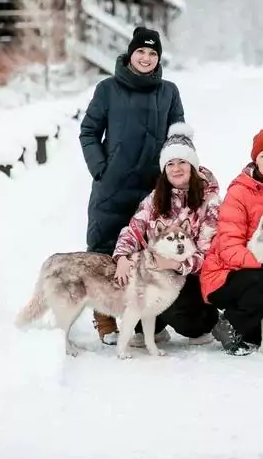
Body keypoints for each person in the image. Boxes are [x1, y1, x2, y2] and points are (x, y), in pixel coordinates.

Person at [79, 26, 185, 345]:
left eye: (153, 53)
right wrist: (101, 169)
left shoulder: (169, 92)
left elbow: (177, 136)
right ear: (130, 53)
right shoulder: (107, 89)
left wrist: (175, 177)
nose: (146, 58)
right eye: (141, 51)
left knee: (146, 249)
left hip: (153, 188)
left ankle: (142, 316)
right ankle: (104, 317)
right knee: (103, 249)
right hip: (112, 185)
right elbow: (88, 132)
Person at [110, 123, 220, 347]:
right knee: (140, 289)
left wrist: (176, 264)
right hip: (154, 273)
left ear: (193, 166)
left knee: (185, 315)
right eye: (170, 163)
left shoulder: (210, 201)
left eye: (182, 162)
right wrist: (121, 256)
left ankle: (199, 322)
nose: (176, 168)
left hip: (189, 277)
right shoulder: (155, 198)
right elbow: (133, 230)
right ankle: (153, 328)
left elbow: (209, 252)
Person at [200, 128, 263, 356]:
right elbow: (229, 249)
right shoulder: (239, 192)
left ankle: (244, 327)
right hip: (224, 275)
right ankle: (228, 326)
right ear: (255, 159)